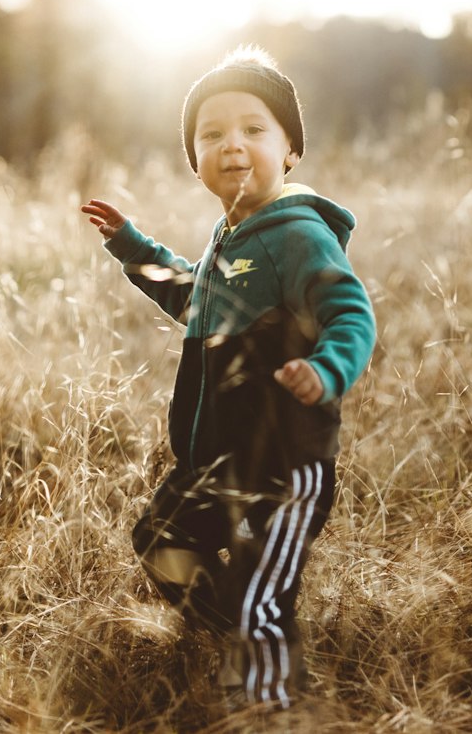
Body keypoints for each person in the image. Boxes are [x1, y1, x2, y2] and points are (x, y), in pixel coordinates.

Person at [81, 46, 376, 711]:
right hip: (219, 458)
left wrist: (328, 369)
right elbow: (198, 303)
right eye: (211, 135)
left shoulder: (298, 236)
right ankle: (232, 636)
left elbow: (351, 312)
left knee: (257, 596)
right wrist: (135, 249)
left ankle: (267, 704)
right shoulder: (232, 235)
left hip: (281, 463)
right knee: (160, 542)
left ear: (290, 149)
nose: (232, 145)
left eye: (254, 129)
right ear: (195, 161)